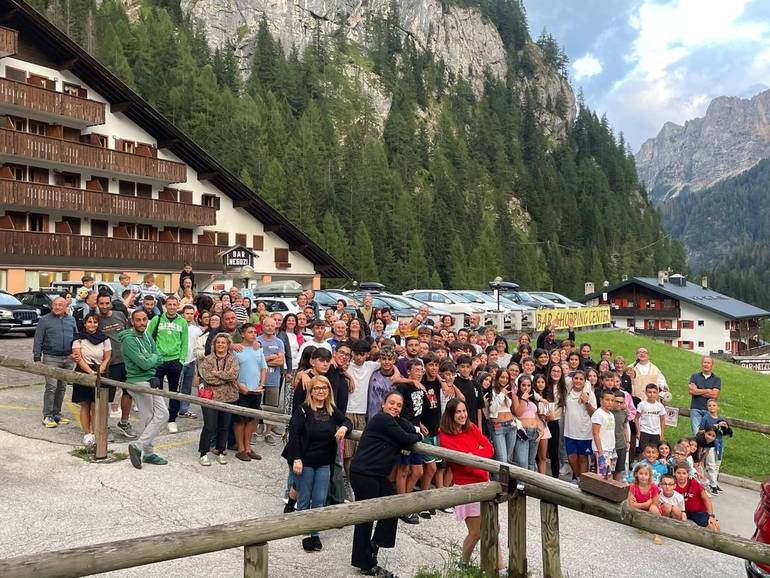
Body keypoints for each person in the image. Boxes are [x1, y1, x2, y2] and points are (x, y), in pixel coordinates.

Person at [350, 391, 423, 576]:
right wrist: (418, 436)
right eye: (391, 403)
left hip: (378, 475)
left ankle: (374, 545)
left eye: (399, 405)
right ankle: (365, 563)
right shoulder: (382, 419)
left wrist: (412, 429)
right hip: (364, 474)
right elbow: (407, 437)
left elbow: (407, 428)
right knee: (366, 518)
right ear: (383, 404)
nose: (394, 407)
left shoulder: (393, 421)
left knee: (393, 505)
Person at [283, 375, 352, 552]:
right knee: (305, 497)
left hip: (323, 462)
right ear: (311, 391)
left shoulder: (330, 409)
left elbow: (346, 420)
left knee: (320, 498)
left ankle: (316, 533)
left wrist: (344, 427)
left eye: (324, 388)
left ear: (328, 390)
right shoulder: (303, 410)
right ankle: (306, 533)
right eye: (317, 388)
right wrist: (297, 459)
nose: (321, 391)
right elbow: (295, 436)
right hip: (305, 461)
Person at [439, 398, 502, 572]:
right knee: (477, 532)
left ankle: (499, 568)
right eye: (458, 412)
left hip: (484, 483)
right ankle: (464, 563)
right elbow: (464, 464)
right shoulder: (445, 436)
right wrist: (477, 453)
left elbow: (490, 448)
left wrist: (471, 454)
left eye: (464, 411)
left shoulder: (471, 426)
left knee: (494, 528)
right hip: (468, 489)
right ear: (450, 415)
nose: (462, 415)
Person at [120, 310, 167, 468]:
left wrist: (151, 358)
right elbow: (145, 364)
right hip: (138, 382)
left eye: (144, 319)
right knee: (147, 417)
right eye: (138, 320)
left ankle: (140, 447)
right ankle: (147, 452)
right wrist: (151, 359)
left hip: (150, 380)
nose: (141, 323)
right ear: (132, 322)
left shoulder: (146, 336)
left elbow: (160, 357)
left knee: (163, 414)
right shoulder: (129, 340)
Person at [33, 296, 77, 428]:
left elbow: (76, 336)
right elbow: (38, 338)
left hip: (68, 358)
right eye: (55, 305)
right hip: (51, 358)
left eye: (60, 305)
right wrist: (36, 357)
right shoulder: (45, 320)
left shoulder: (71, 319)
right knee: (51, 387)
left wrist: (76, 353)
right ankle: (48, 415)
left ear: (65, 307)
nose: (57, 307)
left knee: (62, 387)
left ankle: (57, 413)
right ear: (52, 306)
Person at [197, 332, 240, 466]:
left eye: (224, 343)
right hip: (211, 398)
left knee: (224, 426)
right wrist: (224, 377)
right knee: (209, 426)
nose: (221, 345)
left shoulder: (234, 359)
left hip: (229, 397)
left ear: (228, 345)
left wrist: (217, 374)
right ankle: (203, 453)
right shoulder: (207, 360)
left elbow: (233, 375)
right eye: (218, 343)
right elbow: (207, 377)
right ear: (214, 345)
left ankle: (221, 451)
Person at [96, 293, 136, 438]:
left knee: (128, 393)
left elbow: (128, 335)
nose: (105, 306)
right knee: (105, 397)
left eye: (107, 303)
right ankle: (103, 426)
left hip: (125, 361)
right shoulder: (95, 319)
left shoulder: (120, 315)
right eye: (102, 304)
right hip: (108, 364)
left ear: (111, 303)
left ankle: (124, 422)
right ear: (97, 304)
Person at [147, 295, 188, 433]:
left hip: (175, 360)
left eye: (174, 305)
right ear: (165, 306)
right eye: (169, 304)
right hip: (158, 361)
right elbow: (148, 337)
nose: (171, 307)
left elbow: (184, 342)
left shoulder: (182, 322)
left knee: (174, 392)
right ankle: (156, 418)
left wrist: (181, 360)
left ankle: (172, 419)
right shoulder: (156, 319)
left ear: (178, 306)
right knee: (154, 391)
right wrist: (152, 357)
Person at [71, 313, 112, 447]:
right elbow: (78, 357)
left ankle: (95, 432)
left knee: (96, 405)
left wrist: (100, 370)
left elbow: (107, 357)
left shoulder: (105, 339)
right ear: (85, 323)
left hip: (100, 371)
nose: (92, 324)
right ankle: (87, 433)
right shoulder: (78, 339)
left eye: (95, 322)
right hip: (84, 371)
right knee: (85, 404)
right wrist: (90, 372)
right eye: (89, 322)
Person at [233, 323, 267, 462]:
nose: (253, 334)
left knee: (252, 420)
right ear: (243, 334)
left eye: (254, 332)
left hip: (255, 390)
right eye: (250, 332)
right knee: (240, 420)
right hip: (242, 390)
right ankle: (240, 448)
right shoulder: (237, 350)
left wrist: (261, 384)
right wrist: (239, 386)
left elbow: (263, 367)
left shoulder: (258, 349)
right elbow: (232, 371)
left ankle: (248, 448)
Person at [256, 317, 285, 445]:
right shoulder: (257, 341)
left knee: (272, 408)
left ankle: (268, 432)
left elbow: (281, 361)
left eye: (272, 326)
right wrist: (271, 357)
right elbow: (255, 360)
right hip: (258, 380)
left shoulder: (279, 342)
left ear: (275, 327)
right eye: (267, 325)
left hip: (274, 380)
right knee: (256, 406)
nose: (269, 328)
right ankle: (255, 430)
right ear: (262, 326)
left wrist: (264, 360)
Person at [563, 370, 596, 480]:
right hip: (569, 432)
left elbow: (593, 414)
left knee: (583, 458)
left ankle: (582, 482)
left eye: (581, 379)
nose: (578, 381)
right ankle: (578, 478)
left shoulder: (589, 394)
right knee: (571, 458)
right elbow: (565, 377)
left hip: (584, 433)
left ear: (584, 381)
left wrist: (586, 402)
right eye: (576, 378)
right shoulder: (568, 390)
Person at [699, 399, 732, 494]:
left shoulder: (721, 418)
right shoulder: (706, 418)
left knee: (717, 464)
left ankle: (714, 482)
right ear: (707, 407)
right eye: (709, 405)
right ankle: (712, 485)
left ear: (717, 407)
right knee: (711, 464)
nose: (712, 407)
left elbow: (727, 433)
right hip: (710, 444)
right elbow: (701, 431)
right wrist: (716, 426)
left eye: (714, 405)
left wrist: (726, 427)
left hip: (719, 443)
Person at [674, 462, 719, 530]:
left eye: (684, 473)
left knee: (713, 526)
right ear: (674, 473)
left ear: (688, 474)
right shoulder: (672, 484)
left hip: (698, 511)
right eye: (678, 473)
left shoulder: (694, 482)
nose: (681, 476)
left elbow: (706, 499)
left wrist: (711, 516)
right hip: (683, 510)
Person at [627, 463, 663, 544]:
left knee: (653, 508)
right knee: (633, 508)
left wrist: (646, 505)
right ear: (636, 474)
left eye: (646, 474)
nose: (643, 476)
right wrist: (645, 504)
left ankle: (658, 533)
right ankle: (642, 524)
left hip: (652, 509)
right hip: (640, 509)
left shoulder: (653, 487)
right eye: (641, 473)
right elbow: (631, 504)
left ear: (649, 476)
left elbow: (655, 503)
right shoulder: (633, 487)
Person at [178, 305, 202, 420]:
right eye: (187, 313)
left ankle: (184, 410)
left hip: (191, 361)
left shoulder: (197, 330)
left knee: (187, 388)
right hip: (178, 361)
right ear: (183, 314)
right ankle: (174, 409)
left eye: (191, 314)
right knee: (176, 387)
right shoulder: (178, 326)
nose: (189, 316)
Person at [512, 375, 541, 471]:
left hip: (535, 431)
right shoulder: (516, 397)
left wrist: (541, 429)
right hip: (523, 431)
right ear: (519, 386)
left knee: (531, 462)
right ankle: (521, 485)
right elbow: (518, 413)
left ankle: (530, 485)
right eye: (523, 385)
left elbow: (535, 414)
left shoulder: (532, 397)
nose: (526, 388)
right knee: (522, 461)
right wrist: (524, 399)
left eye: (529, 385)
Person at [488, 368, 515, 465]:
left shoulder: (508, 390)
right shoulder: (492, 390)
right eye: (502, 377)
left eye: (507, 378)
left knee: (507, 459)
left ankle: (505, 480)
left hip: (511, 425)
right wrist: (501, 394)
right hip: (498, 426)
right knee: (501, 458)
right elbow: (492, 409)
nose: (504, 380)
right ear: (497, 377)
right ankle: (496, 480)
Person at [688, 356, 721, 436]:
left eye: (708, 363)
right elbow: (691, 391)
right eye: (704, 362)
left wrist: (698, 391)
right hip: (696, 409)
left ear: (712, 365)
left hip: (709, 411)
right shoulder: (695, 376)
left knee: (708, 434)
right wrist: (707, 390)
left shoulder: (716, 379)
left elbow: (715, 394)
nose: (706, 364)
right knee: (697, 434)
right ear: (702, 364)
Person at [634, 383, 666, 457]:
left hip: (656, 432)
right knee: (643, 452)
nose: (652, 394)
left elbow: (662, 420)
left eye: (654, 392)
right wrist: (638, 432)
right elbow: (636, 418)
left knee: (654, 452)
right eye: (649, 392)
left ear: (657, 393)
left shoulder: (660, 406)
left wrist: (662, 434)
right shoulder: (642, 405)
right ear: (646, 393)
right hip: (644, 431)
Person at [591, 389, 617, 479]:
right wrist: (600, 452)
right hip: (602, 449)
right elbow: (595, 433)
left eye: (612, 400)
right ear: (601, 400)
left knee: (609, 474)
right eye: (607, 400)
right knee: (602, 475)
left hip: (611, 448)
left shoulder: (611, 415)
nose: (610, 402)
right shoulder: (598, 414)